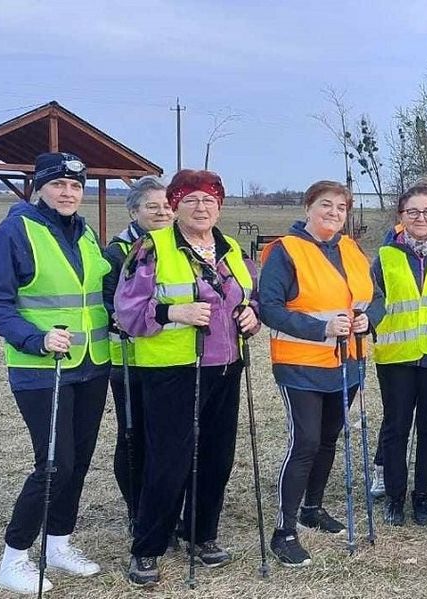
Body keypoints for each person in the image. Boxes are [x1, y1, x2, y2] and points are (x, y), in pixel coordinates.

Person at [116, 169, 260, 586]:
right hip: (173, 370)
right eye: (191, 200)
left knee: (217, 456)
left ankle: (201, 533)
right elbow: (127, 312)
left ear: (220, 206)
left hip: (226, 366)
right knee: (169, 460)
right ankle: (148, 547)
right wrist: (172, 312)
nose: (201, 207)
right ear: (175, 205)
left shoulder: (230, 248)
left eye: (209, 200)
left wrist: (251, 316)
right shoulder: (152, 247)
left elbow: (247, 297)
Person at [0, 153, 110, 594]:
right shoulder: (16, 231)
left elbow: (96, 292)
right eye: (58, 185)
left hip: (91, 363)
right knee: (55, 464)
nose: (68, 193)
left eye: (75, 186)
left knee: (78, 463)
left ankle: (58, 544)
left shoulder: (85, 232)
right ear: (40, 187)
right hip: (41, 368)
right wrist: (35, 339)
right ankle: (13, 558)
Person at [257, 180, 373, 567]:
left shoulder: (352, 248)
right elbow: (270, 308)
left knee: (327, 439)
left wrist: (369, 319)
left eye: (341, 208)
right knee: (305, 442)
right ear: (308, 207)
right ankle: (284, 531)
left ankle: (313, 508)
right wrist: (320, 328)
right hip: (301, 365)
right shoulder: (285, 250)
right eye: (326, 205)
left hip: (347, 363)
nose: (334, 213)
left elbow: (375, 297)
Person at [367, 185, 427, 527]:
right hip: (397, 357)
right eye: (413, 212)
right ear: (401, 216)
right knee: (396, 428)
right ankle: (395, 497)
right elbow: (371, 298)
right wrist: (369, 321)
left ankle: (422, 496)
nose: (420, 218)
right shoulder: (385, 256)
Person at [102, 176, 174, 529]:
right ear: (134, 212)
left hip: (173, 359)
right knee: (134, 436)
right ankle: (137, 509)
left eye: (167, 206)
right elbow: (106, 304)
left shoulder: (179, 248)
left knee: (169, 437)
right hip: (130, 362)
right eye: (152, 206)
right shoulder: (117, 253)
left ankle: (167, 507)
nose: (162, 212)